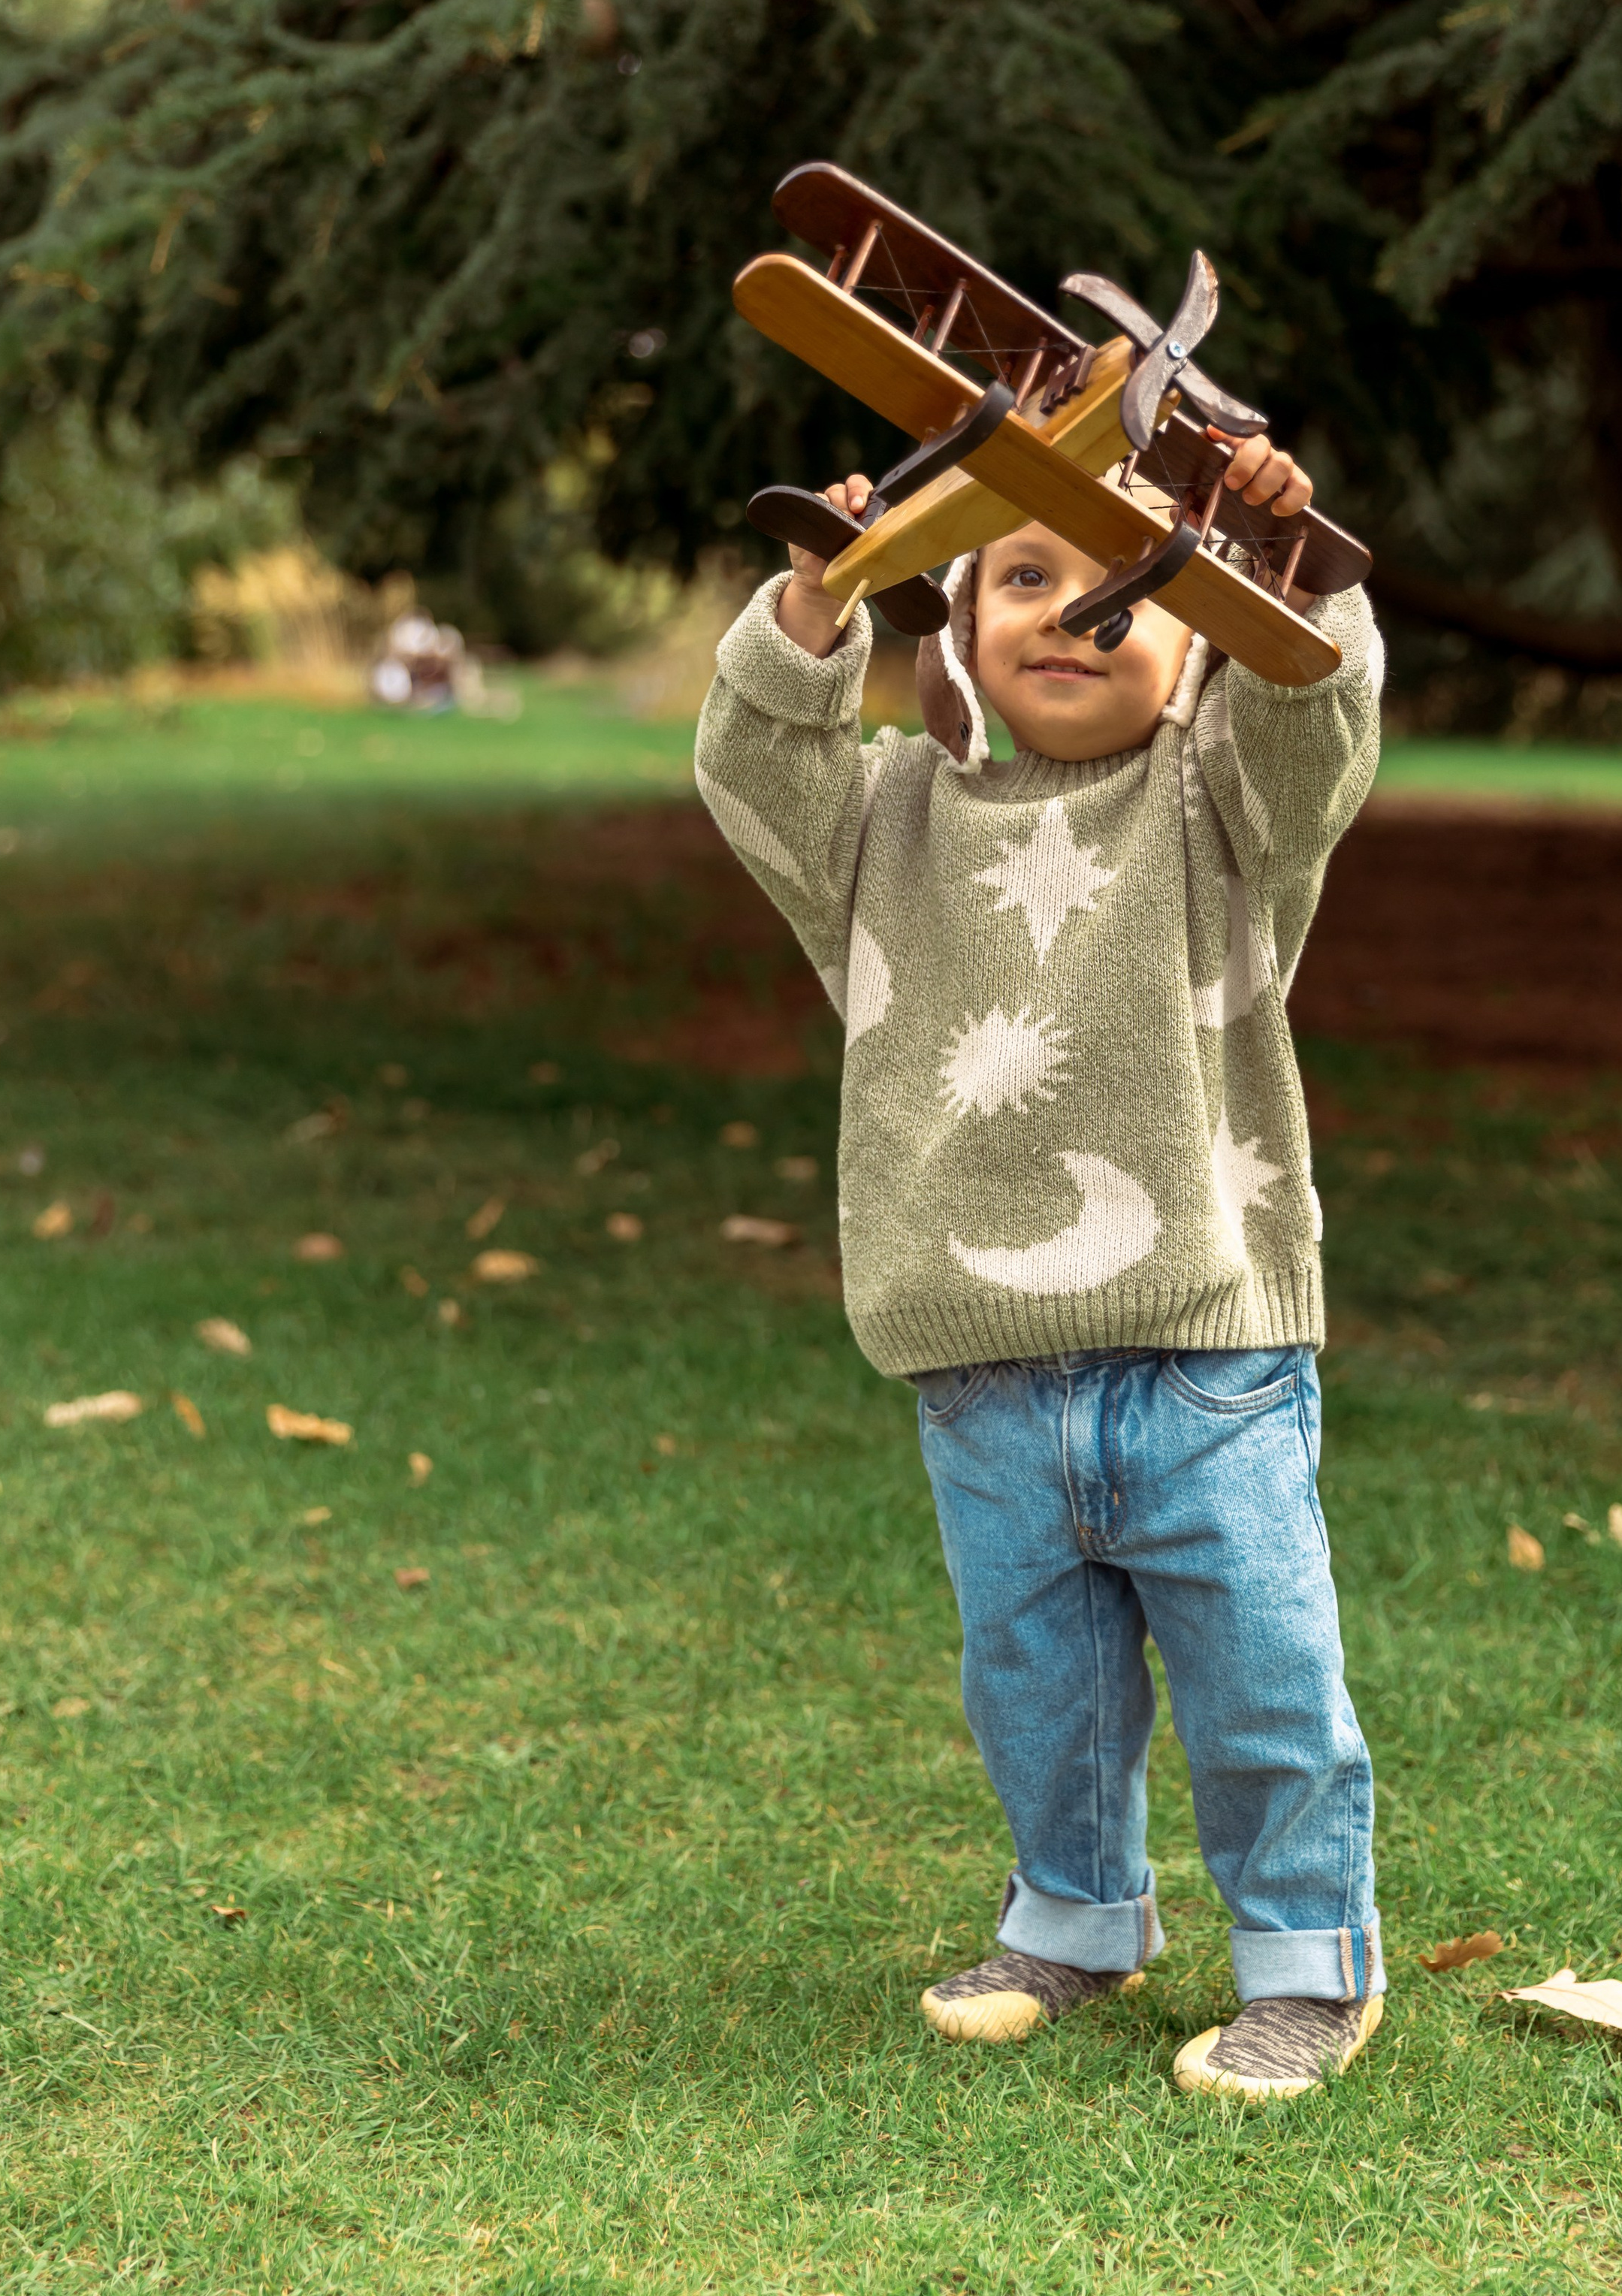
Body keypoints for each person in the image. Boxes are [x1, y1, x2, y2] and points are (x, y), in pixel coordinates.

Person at [695, 427, 1385, 2101]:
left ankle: (1307, 1960)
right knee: (1035, 1681)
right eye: (1022, 573)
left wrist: (1292, 579)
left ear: (1202, 637)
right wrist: (810, 599)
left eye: (1131, 578)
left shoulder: (1221, 801)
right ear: (948, 622)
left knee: (1261, 1679)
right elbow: (754, 764)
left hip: (1202, 1353)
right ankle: (1076, 1920)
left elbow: (1317, 719)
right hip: (980, 1361)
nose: (1071, 608)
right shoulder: (878, 825)